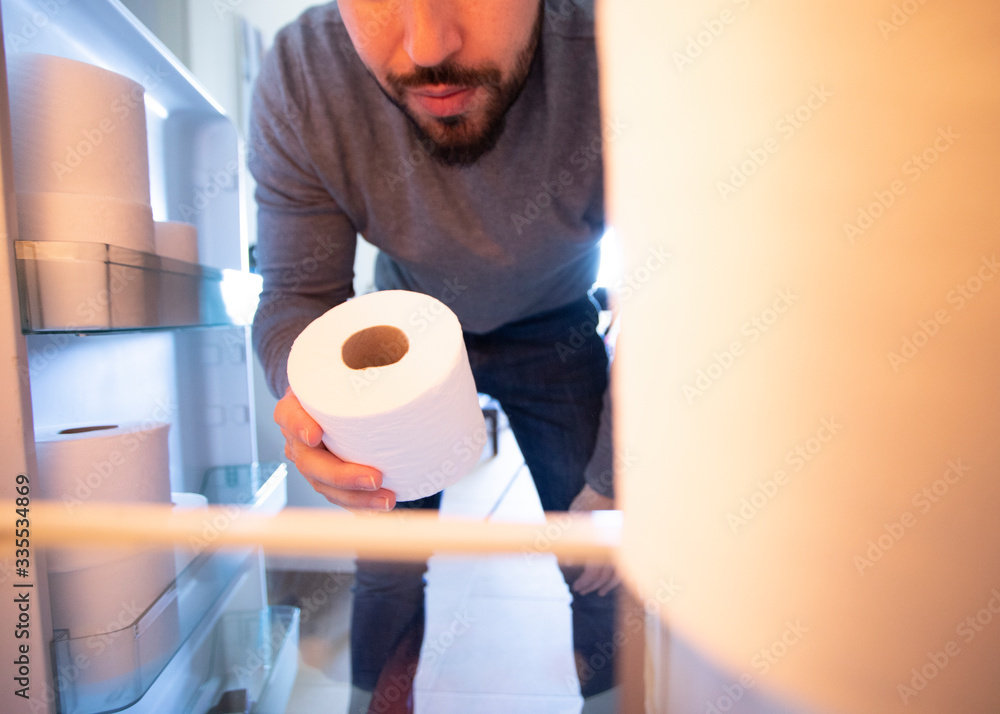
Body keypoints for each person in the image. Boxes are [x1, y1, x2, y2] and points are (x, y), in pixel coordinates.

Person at [248, 0, 620, 711]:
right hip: (405, 335)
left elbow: (673, 296)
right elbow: (295, 292)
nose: (426, 45)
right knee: (387, 564)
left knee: (595, 556)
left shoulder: (615, 54)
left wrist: (611, 477)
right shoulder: (306, 78)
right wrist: (314, 410)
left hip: (556, 329)